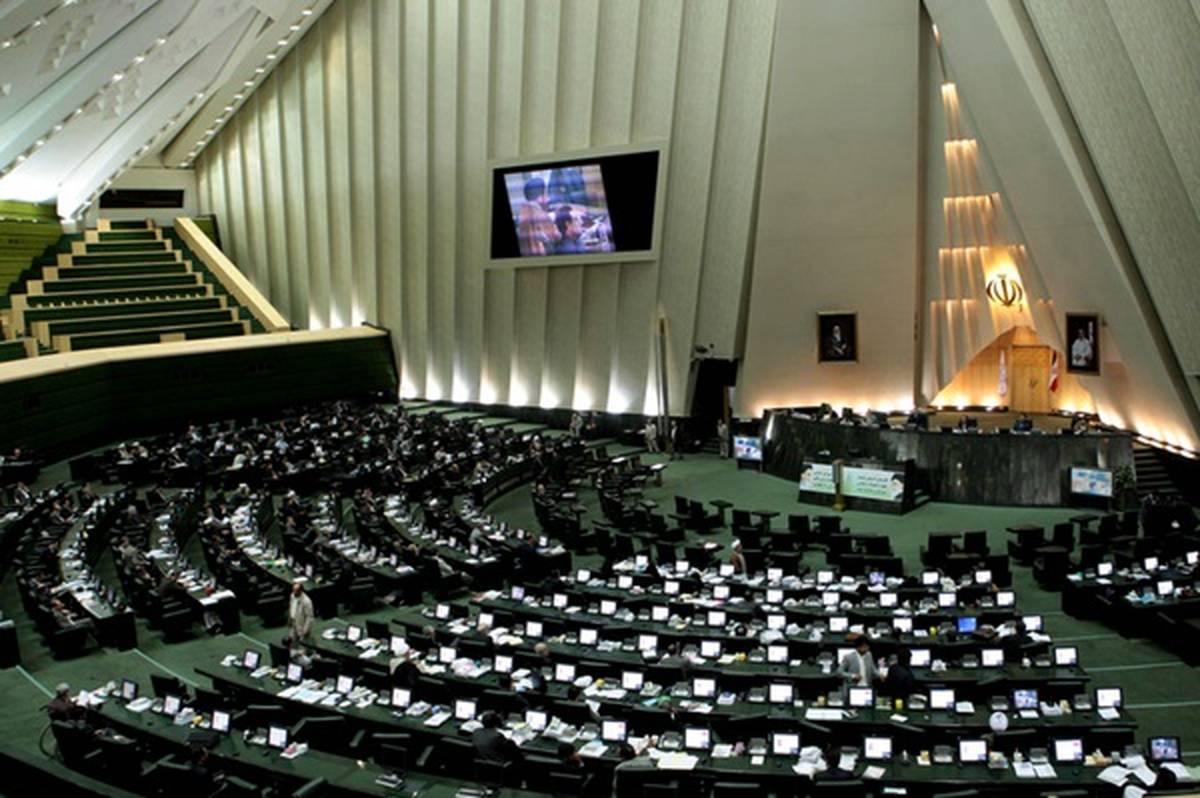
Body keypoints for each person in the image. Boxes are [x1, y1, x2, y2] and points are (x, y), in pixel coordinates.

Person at [515, 176, 560, 256]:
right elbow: (557, 237)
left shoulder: (522, 214)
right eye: (546, 194)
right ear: (540, 197)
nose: (548, 198)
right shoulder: (542, 217)